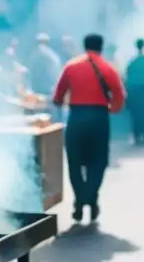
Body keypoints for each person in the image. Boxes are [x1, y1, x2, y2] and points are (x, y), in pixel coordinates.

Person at [53, 34, 126, 222]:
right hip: (99, 117)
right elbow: (119, 95)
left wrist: (61, 102)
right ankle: (90, 199)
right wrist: (112, 109)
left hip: (76, 117)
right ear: (101, 47)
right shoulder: (108, 67)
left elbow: (58, 96)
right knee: (98, 162)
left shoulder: (71, 66)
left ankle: (80, 199)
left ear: (84, 46)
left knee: (75, 162)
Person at [126, 39, 144, 146]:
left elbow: (128, 75)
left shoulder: (132, 62)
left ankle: (136, 133)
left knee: (135, 112)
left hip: (134, 88)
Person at [27, 33, 63, 99]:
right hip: (38, 90)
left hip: (48, 91)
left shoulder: (52, 57)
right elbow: (30, 73)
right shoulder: (34, 56)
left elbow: (56, 74)